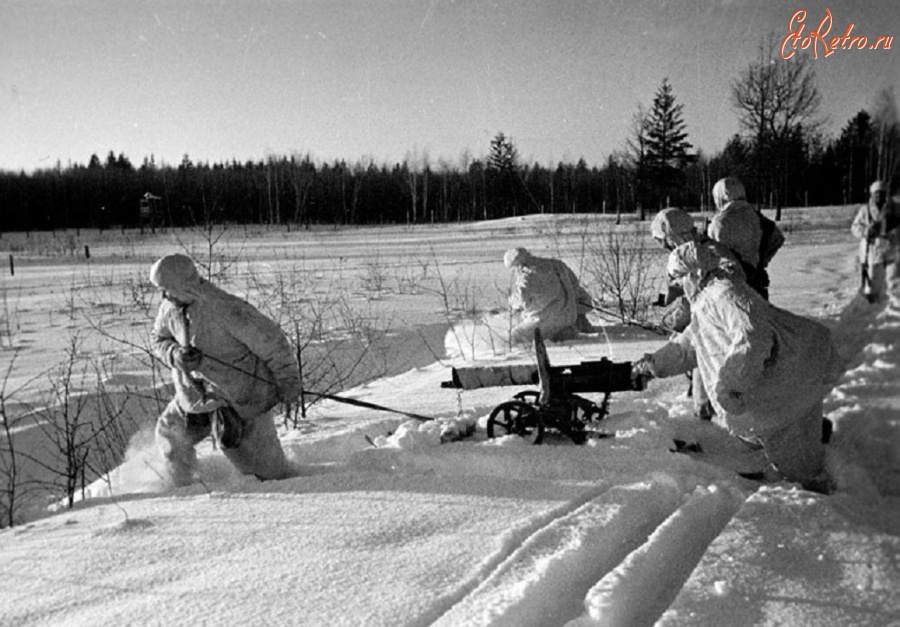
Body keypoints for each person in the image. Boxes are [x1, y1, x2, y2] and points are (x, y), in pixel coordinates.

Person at [632, 241, 842, 493]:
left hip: (788, 381)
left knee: (802, 472)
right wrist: (653, 366)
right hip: (787, 378)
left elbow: (754, 336)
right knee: (773, 434)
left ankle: (828, 504)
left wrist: (731, 385)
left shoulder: (725, 294)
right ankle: (815, 437)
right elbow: (688, 346)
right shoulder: (706, 299)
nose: (676, 285)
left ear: (694, 273)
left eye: (677, 278)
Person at [149, 253, 302, 487]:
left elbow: (273, 342)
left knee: (268, 476)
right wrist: (176, 355)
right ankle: (181, 490)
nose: (164, 295)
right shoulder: (169, 307)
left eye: (167, 288)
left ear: (182, 285)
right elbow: (159, 339)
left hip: (242, 398)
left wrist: (288, 381)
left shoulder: (225, 308)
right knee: (170, 434)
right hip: (193, 396)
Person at [649, 208, 745, 420]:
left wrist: (669, 322)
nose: (663, 247)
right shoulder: (704, 251)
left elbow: (695, 304)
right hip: (720, 330)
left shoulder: (697, 258)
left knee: (721, 401)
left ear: (673, 237)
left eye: (663, 241)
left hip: (722, 334)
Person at [707, 177, 785, 300]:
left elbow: (713, 255)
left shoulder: (719, 222)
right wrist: (762, 261)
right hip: (757, 282)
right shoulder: (756, 216)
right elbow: (777, 239)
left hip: (730, 286)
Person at [504, 247, 593, 344]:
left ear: (517, 265)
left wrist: (511, 301)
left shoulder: (528, 274)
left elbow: (520, 299)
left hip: (545, 320)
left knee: (512, 338)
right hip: (569, 317)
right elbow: (577, 288)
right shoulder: (557, 264)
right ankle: (566, 332)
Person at [851, 180, 900, 303]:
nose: (879, 196)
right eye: (876, 193)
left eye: (882, 193)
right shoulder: (865, 210)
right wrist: (866, 231)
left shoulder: (895, 209)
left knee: (893, 281)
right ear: (872, 194)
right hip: (872, 252)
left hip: (891, 250)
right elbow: (854, 228)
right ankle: (871, 309)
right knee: (872, 283)